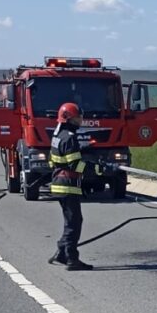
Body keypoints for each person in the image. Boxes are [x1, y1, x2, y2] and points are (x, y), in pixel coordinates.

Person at [47, 102, 94, 271]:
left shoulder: (58, 136)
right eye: (77, 118)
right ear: (68, 118)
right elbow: (74, 165)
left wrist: (84, 151)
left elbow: (54, 160)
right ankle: (72, 259)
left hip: (59, 183)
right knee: (74, 223)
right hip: (67, 185)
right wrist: (95, 170)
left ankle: (61, 253)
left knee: (71, 221)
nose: (80, 120)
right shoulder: (70, 137)